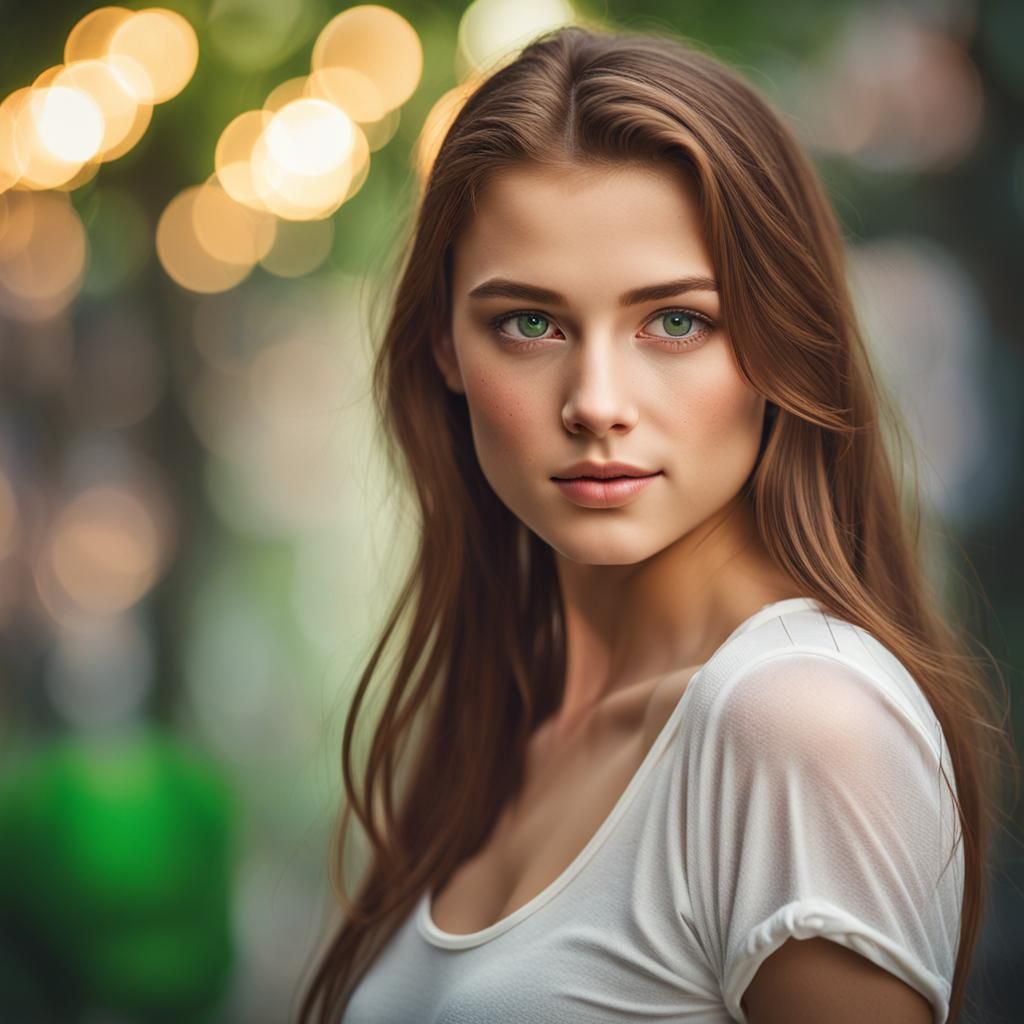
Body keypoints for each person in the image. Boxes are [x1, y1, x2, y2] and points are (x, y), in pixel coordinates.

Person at [295, 23, 1014, 1024]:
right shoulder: (516, 716)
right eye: (529, 323)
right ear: (446, 347)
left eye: (676, 321)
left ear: (783, 340)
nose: (596, 402)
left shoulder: (801, 723)